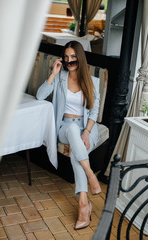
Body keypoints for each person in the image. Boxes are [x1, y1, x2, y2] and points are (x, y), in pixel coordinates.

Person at [36, 41, 101, 230]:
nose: (70, 61)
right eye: (67, 58)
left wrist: (87, 132)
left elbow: (94, 112)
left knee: (77, 149)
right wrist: (53, 73)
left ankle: (83, 203)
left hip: (86, 128)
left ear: (80, 58)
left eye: (73, 58)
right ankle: (90, 175)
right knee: (73, 131)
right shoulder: (60, 77)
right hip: (65, 126)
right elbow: (40, 95)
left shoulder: (92, 81)